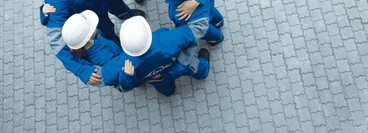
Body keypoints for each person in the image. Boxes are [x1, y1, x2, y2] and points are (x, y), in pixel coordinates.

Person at [61, 11, 210, 96]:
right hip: (179, 66)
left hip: (153, 78)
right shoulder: (165, 39)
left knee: (166, 88)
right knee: (196, 67)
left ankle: (169, 92)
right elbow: (196, 30)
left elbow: (115, 82)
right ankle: (203, 71)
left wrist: (129, 77)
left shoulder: (123, 63)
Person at [39, 0, 145, 85]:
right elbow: (58, 44)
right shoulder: (56, 3)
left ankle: (126, 15)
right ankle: (113, 38)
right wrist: (81, 69)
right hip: (91, 16)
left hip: (97, 11)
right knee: (107, 30)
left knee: (115, 10)